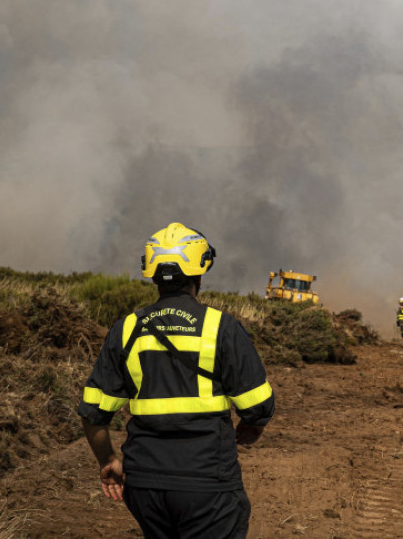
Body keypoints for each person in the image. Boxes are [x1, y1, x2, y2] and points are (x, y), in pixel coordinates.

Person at [78, 222, 274, 539]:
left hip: (144, 486)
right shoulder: (220, 327)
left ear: (152, 272)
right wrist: (251, 429)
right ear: (201, 269)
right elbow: (257, 406)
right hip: (208, 484)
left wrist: (109, 461)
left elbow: (92, 414)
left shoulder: (126, 329)